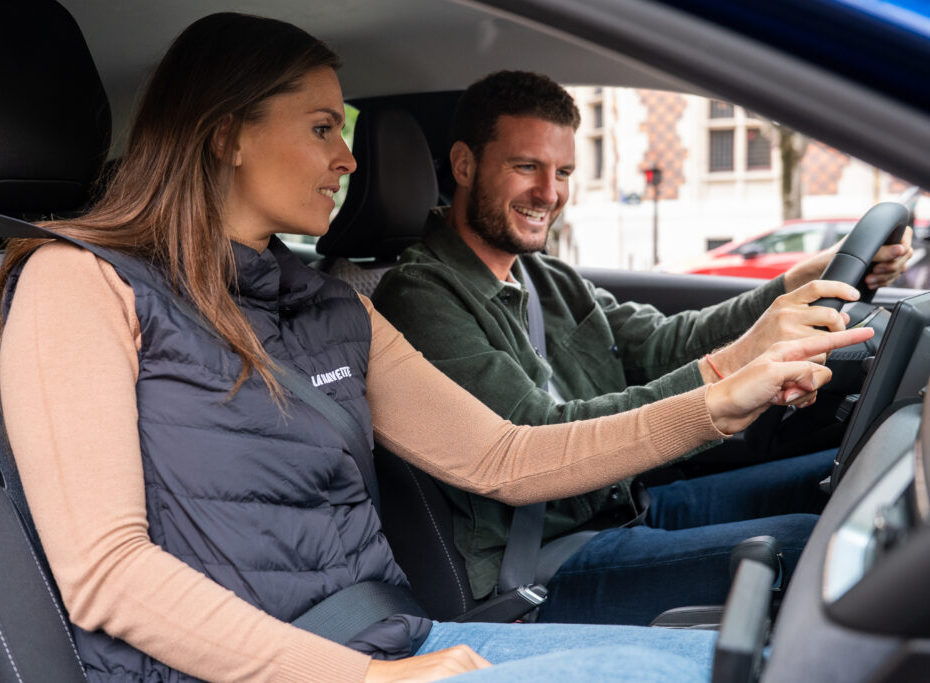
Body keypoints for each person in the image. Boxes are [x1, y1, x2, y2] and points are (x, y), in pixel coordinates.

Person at [0, 15, 873, 683]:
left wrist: (715, 401)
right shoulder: (80, 282)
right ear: (226, 133)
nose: (347, 160)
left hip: (395, 637)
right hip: (283, 668)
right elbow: (107, 573)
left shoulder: (330, 305)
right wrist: (370, 679)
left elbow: (504, 456)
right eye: (323, 128)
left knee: (731, 660)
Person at [371, 70, 912, 626]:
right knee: (812, 549)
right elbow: (536, 439)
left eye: (563, 172)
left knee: (829, 478)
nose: (549, 193)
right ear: (464, 165)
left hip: (620, 505)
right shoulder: (419, 296)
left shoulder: (546, 279)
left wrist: (789, 285)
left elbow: (660, 343)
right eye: (526, 166)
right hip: (537, 559)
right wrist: (730, 368)